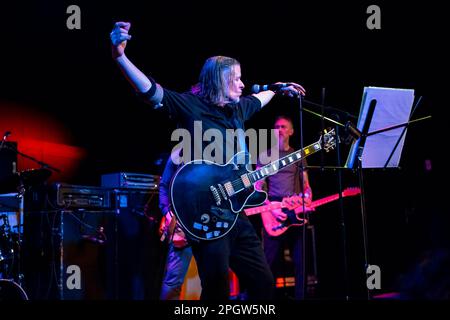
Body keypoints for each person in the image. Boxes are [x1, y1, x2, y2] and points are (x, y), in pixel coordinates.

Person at [110, 21, 305, 300]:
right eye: (236, 78)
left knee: (263, 286)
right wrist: (120, 57)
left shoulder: (237, 110)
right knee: (217, 292)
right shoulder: (191, 107)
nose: (242, 83)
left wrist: (277, 88)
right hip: (207, 219)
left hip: (236, 216)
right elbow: (151, 91)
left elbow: (260, 98)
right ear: (220, 81)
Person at [255, 115, 313, 300]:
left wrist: (308, 196)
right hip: (273, 209)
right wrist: (270, 207)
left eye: (283, 126)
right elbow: (258, 187)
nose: (279, 129)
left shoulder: (298, 155)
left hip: (295, 209)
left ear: (291, 131)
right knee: (269, 261)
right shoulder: (265, 156)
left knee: (301, 261)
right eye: (276, 126)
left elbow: (306, 185)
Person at [158, 149, 193, 300]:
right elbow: (164, 186)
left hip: (208, 225)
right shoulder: (178, 153)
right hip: (181, 226)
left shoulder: (217, 151)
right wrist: (168, 213)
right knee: (173, 283)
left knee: (214, 280)